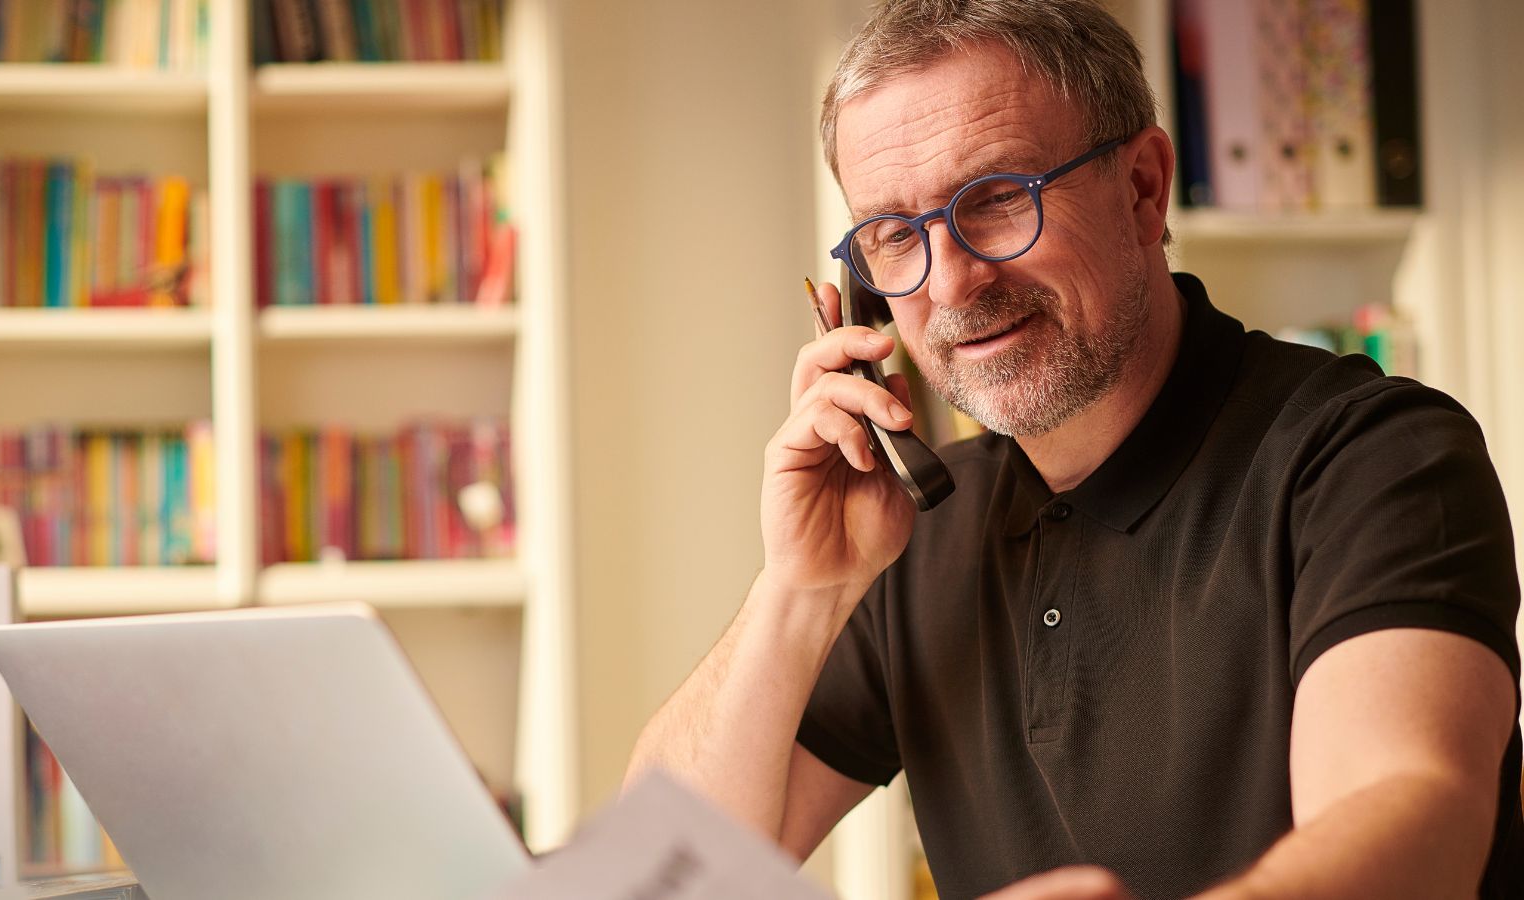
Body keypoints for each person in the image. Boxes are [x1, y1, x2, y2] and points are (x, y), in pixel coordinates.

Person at [625, 1, 1524, 897]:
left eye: (999, 200)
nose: (952, 281)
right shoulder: (915, 532)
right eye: (896, 235)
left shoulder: (1373, 457)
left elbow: (1417, 823)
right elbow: (653, 877)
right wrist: (801, 590)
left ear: (1142, 188)